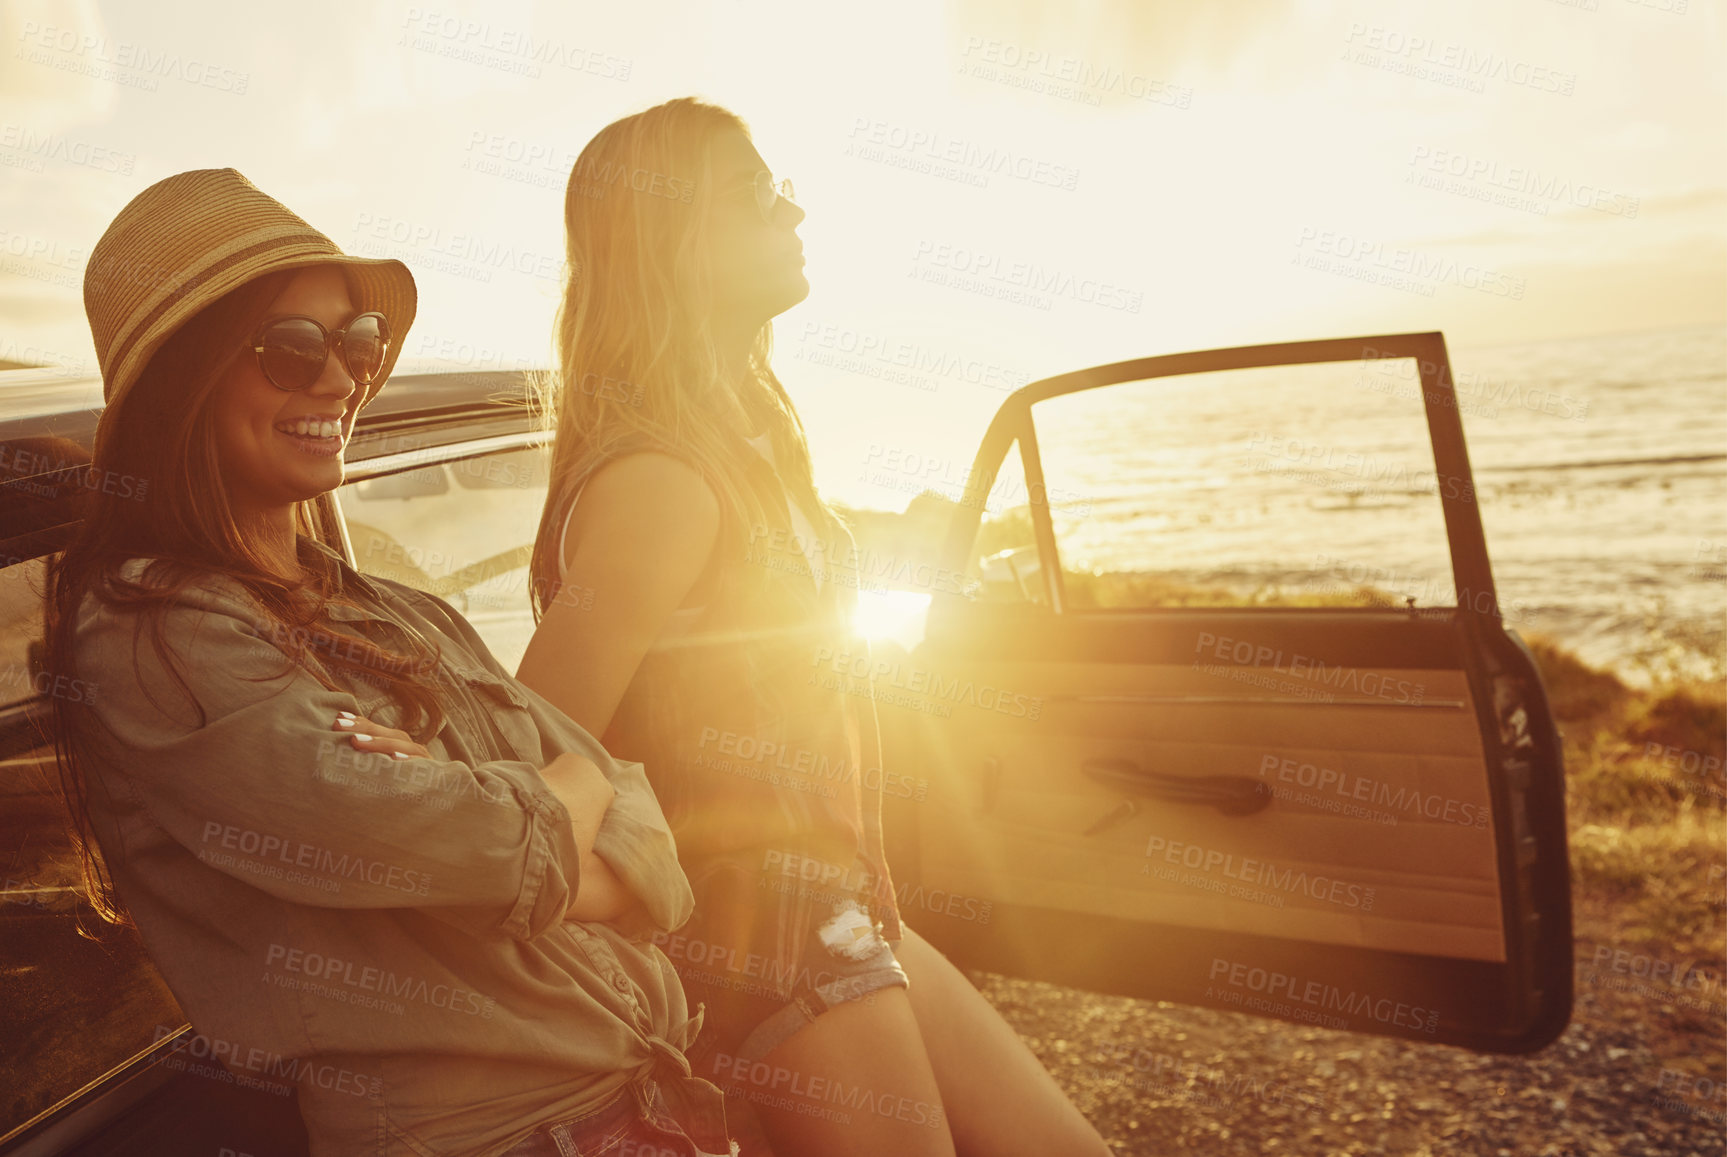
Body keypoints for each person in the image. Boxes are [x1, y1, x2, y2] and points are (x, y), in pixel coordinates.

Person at [43, 167, 738, 1157]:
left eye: (355, 341)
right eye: (290, 347)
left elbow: (647, 835)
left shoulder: (394, 609)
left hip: (634, 1101)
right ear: (182, 381)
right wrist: (556, 796)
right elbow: (497, 839)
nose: (340, 377)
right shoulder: (156, 632)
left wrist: (537, 812)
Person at [514, 99, 1112, 1157]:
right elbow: (536, 752)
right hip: (759, 940)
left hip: (837, 913)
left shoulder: (741, 444)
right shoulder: (659, 478)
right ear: (677, 241)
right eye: (758, 194)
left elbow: (766, 637)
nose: (793, 210)